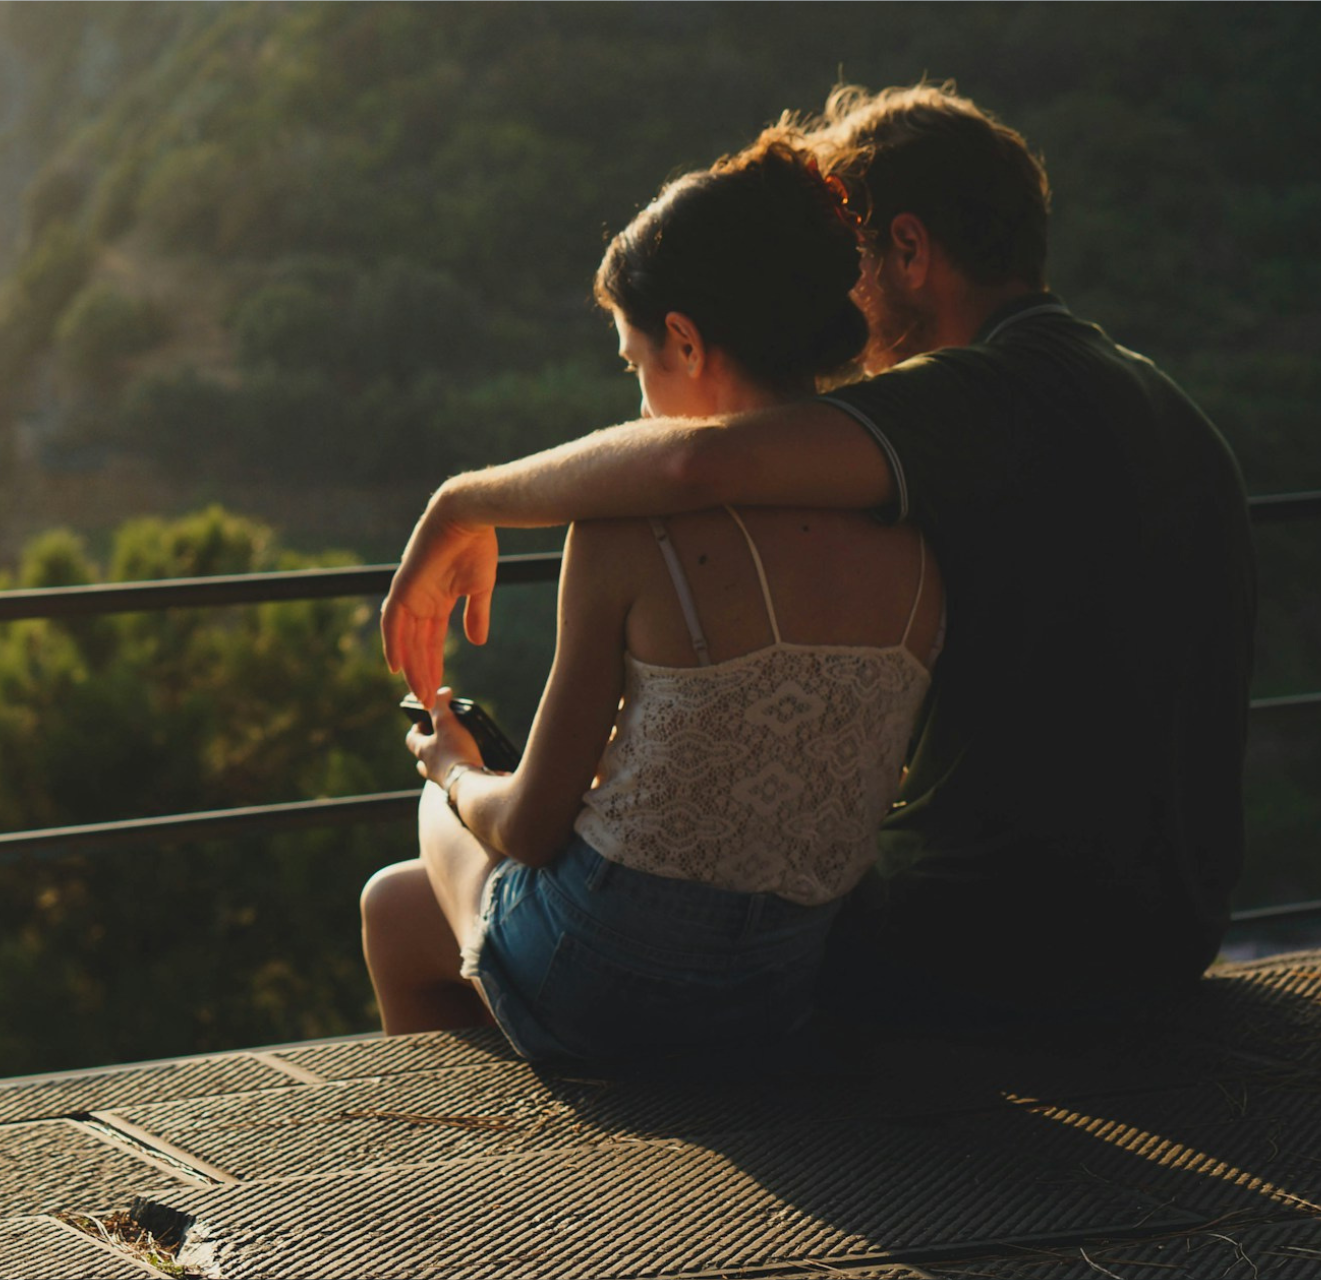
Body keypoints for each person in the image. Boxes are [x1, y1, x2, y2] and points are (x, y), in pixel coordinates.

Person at [379, 83, 1255, 1022]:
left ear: (910, 251)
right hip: (1171, 927)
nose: (839, 300)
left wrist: (461, 500)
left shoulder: (980, 397)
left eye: (852, 263)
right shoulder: (1163, 404)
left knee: (416, 898)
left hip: (994, 937)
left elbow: (692, 461)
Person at [360, 131, 944, 1063]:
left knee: (417, 859)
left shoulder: (633, 531)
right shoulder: (911, 526)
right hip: (787, 988)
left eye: (636, 365)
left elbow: (529, 826)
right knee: (404, 899)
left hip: (610, 985)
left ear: (685, 339)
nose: (636, 408)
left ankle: (455, 1170)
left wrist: (451, 771)